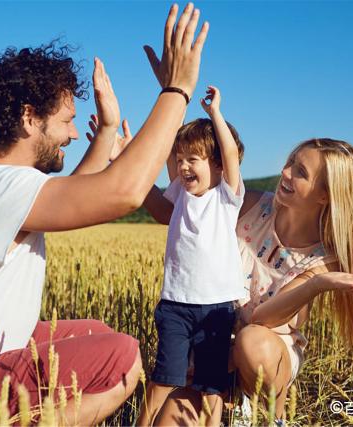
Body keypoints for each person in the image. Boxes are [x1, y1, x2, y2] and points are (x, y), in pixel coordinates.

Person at [0, 3, 209, 426]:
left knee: (97, 333)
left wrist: (108, 130)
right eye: (67, 122)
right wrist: (176, 92)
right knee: (123, 357)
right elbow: (123, 191)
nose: (75, 133)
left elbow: (74, 192)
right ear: (28, 118)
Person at [143, 138, 353, 425]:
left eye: (300, 172)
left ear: (324, 195)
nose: (285, 173)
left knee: (252, 341)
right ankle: (227, 402)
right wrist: (136, 170)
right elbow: (182, 206)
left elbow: (263, 319)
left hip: (264, 355)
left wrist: (317, 284)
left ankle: (272, 416)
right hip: (211, 339)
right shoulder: (250, 205)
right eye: (290, 163)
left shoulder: (324, 259)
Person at [135, 86, 246, 426]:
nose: (182, 167)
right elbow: (169, 150)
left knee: (213, 386)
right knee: (163, 378)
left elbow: (228, 151)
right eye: (180, 159)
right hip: (175, 305)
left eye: (191, 160)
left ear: (215, 165)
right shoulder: (180, 194)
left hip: (217, 307)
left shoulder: (227, 197)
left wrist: (215, 114)